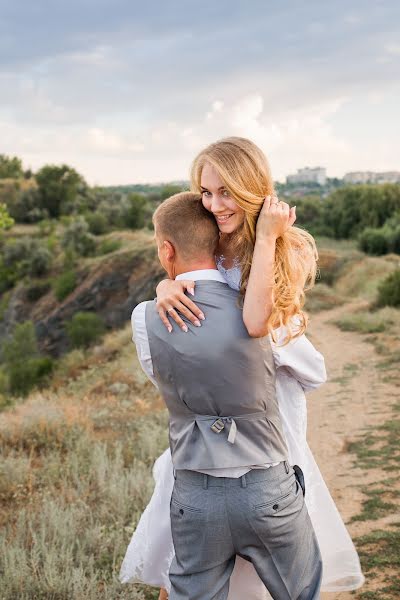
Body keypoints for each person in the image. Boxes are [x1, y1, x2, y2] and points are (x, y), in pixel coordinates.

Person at [120, 138, 364, 597]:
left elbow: (259, 325)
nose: (214, 205)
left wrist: (269, 237)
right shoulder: (209, 249)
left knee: (248, 572)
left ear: (251, 188)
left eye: (225, 192)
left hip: (263, 430)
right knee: (188, 563)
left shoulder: (269, 255)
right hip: (204, 436)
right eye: (206, 193)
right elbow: (185, 269)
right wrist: (167, 286)